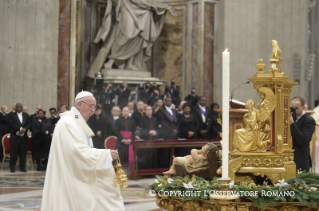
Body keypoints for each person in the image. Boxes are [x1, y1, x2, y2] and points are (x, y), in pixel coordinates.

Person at [42, 91, 124, 211]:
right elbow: (76, 152)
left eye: (94, 107)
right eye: (91, 106)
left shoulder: (77, 121)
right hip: (68, 175)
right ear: (80, 104)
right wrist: (103, 155)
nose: (93, 110)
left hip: (75, 173)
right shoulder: (67, 123)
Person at [290, 96, 316, 171]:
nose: (294, 111)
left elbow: (302, 139)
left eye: (297, 108)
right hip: (290, 158)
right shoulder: (292, 118)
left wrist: (292, 123)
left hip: (301, 159)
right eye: (292, 108)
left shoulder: (309, 120)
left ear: (303, 106)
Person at [9, 103, 30, 173]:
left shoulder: (26, 115)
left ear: (22, 108)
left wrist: (25, 129)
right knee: (14, 152)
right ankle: (12, 167)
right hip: (15, 136)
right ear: (15, 108)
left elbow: (29, 124)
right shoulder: (11, 115)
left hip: (23, 136)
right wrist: (20, 129)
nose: (19, 108)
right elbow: (11, 124)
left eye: (20, 107)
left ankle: (22, 167)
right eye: (17, 107)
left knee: (23, 152)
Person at [114, 107, 136, 172]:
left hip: (130, 142)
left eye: (127, 111)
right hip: (121, 142)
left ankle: (129, 172)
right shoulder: (118, 120)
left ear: (129, 112)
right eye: (124, 111)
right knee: (121, 156)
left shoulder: (132, 121)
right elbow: (116, 131)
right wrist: (123, 139)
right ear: (122, 112)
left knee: (129, 156)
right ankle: (120, 172)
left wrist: (131, 139)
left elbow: (134, 131)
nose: (126, 112)